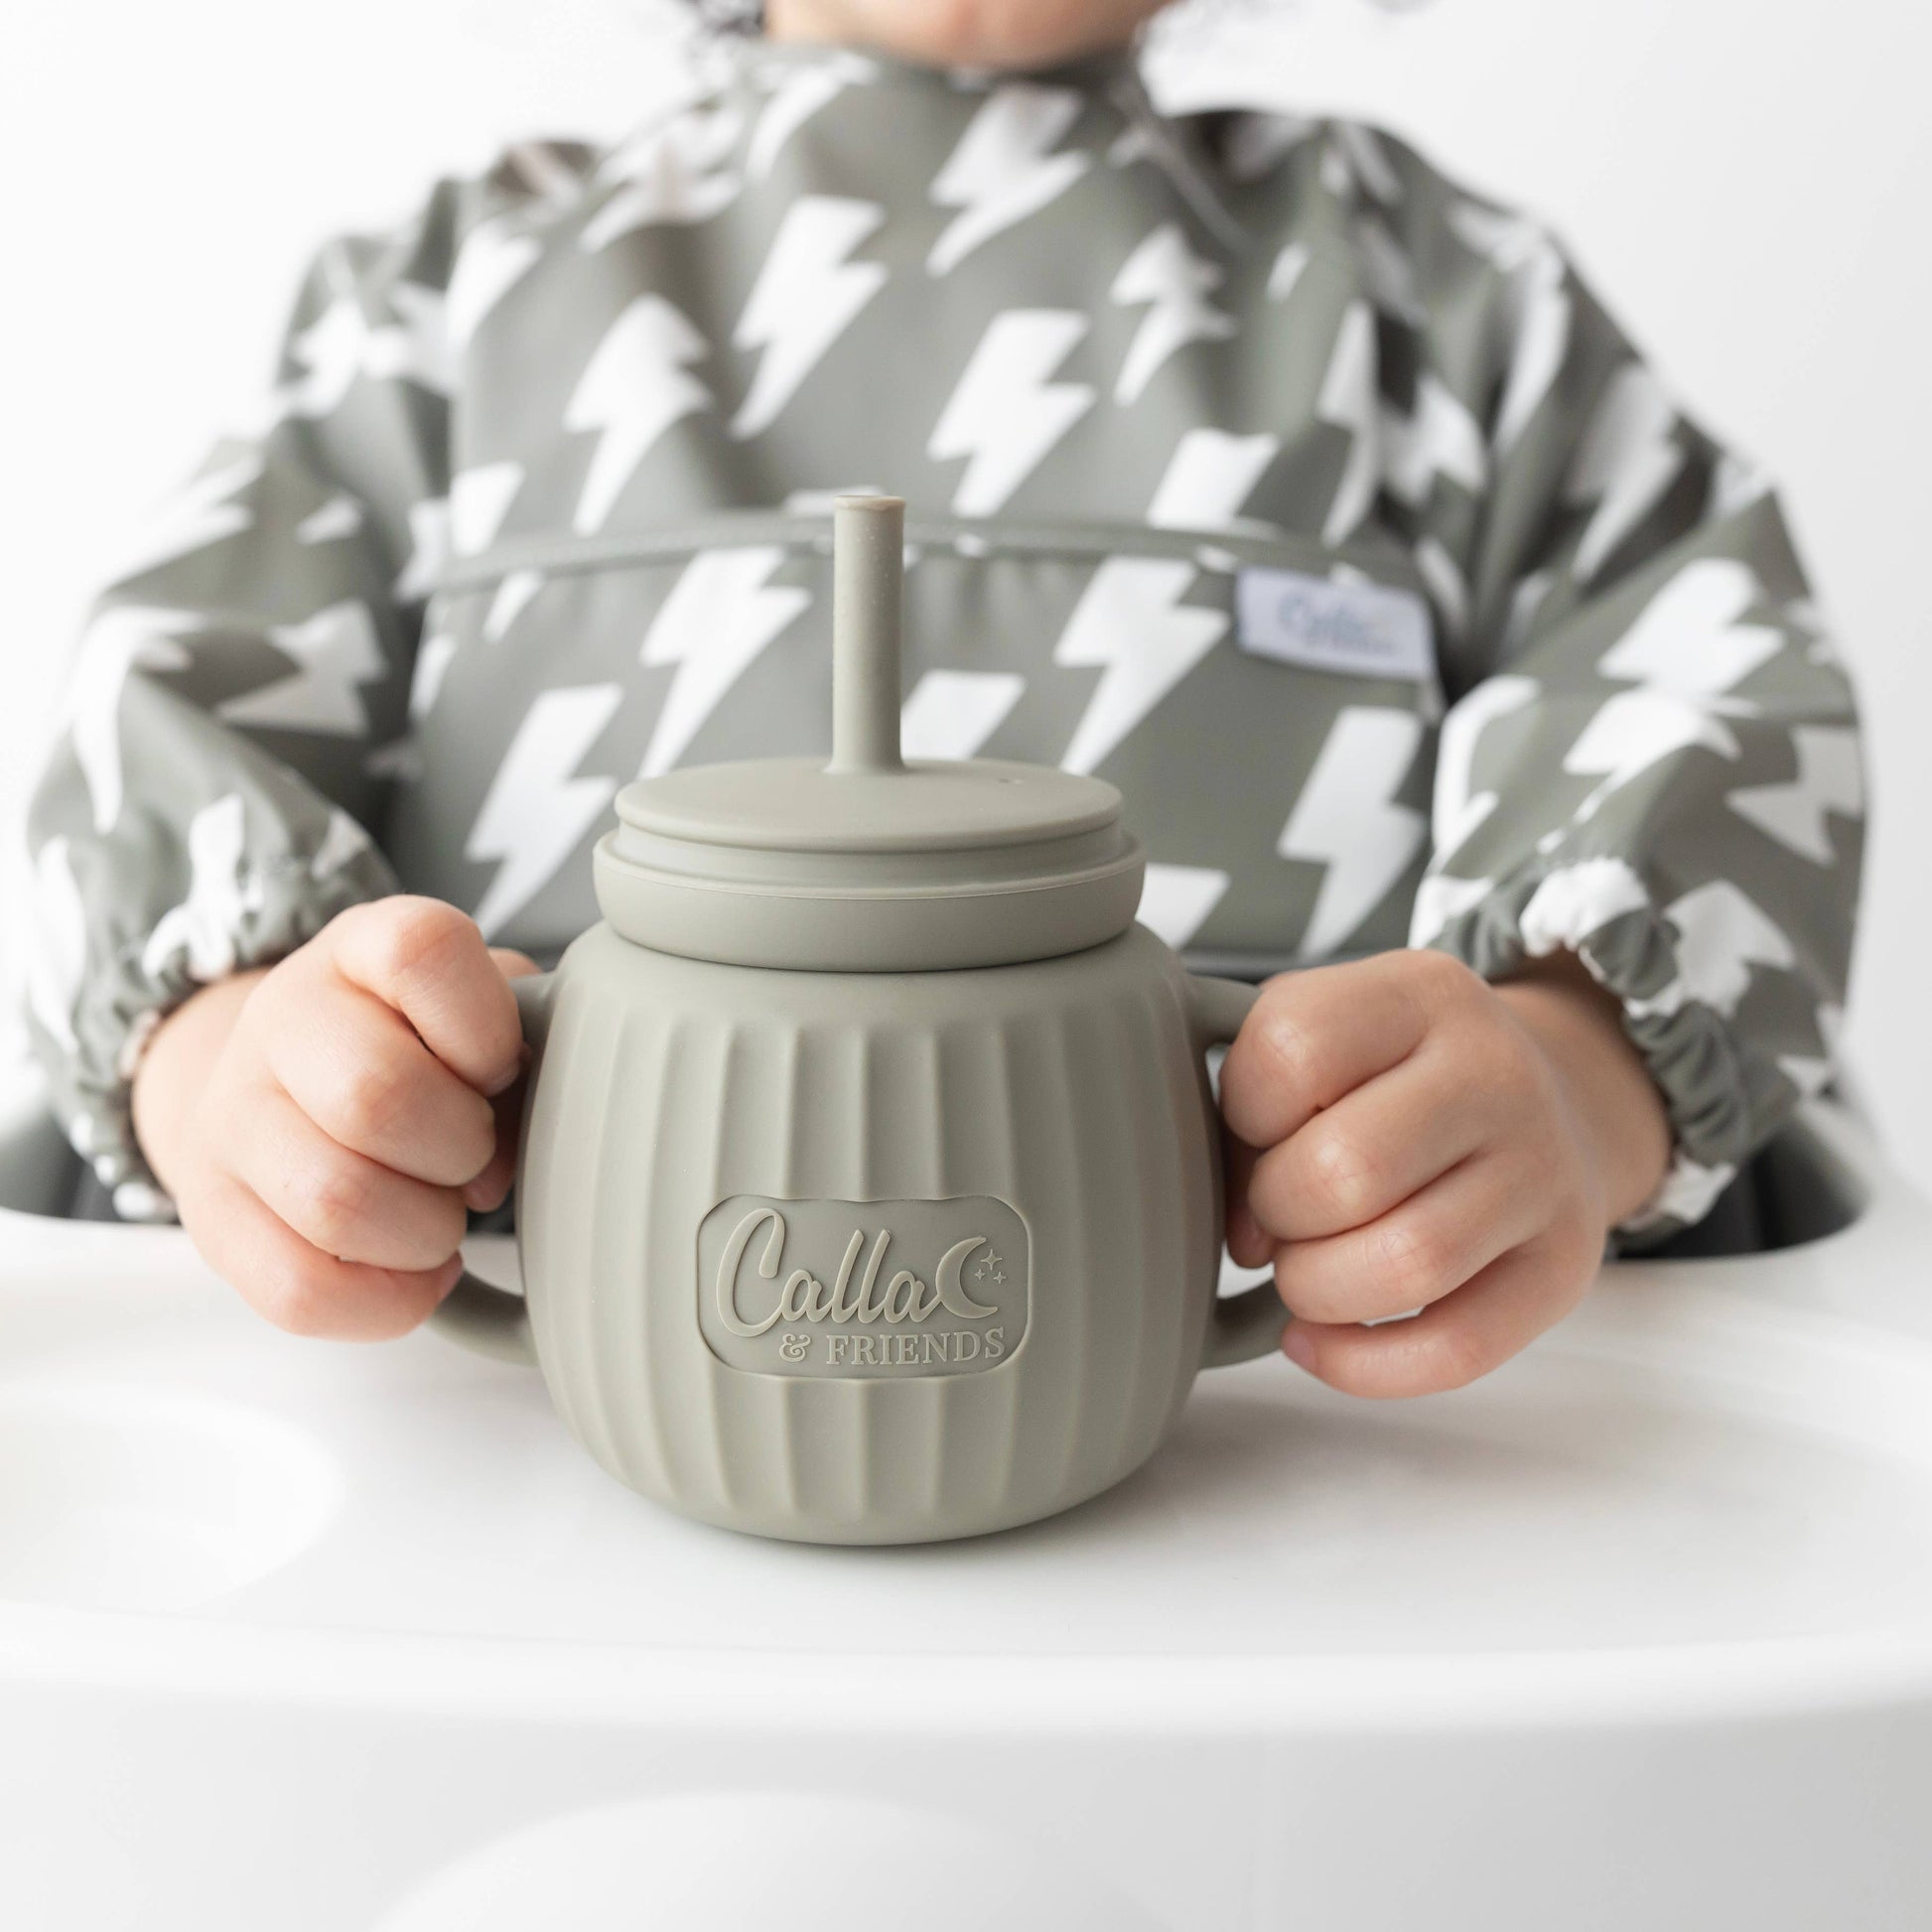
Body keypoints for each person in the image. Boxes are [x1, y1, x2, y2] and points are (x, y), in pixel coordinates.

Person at [18, 0, 1863, 1398]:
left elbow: (1695, 670)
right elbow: (164, 716)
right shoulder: (451, 299)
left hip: (1307, 1444)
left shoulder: (1430, 295)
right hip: (537, 1436)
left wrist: (1567, 1079)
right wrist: (235, 1071)